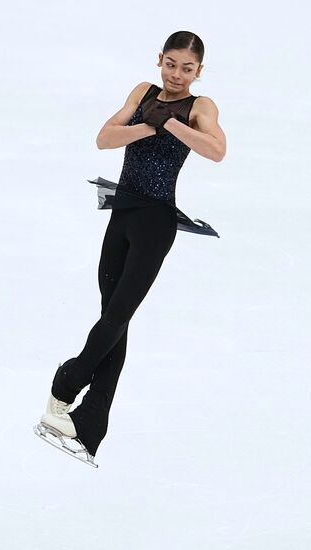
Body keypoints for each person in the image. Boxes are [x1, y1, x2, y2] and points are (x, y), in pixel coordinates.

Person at [38, 30, 227, 462]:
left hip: (156, 222)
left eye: (187, 67)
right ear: (159, 59)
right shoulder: (143, 93)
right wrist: (147, 123)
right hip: (122, 211)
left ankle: (66, 382)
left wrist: (173, 123)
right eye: (171, 63)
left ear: (199, 71)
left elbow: (217, 151)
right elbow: (104, 139)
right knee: (112, 319)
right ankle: (89, 426)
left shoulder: (201, 106)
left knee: (120, 313)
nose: (177, 74)